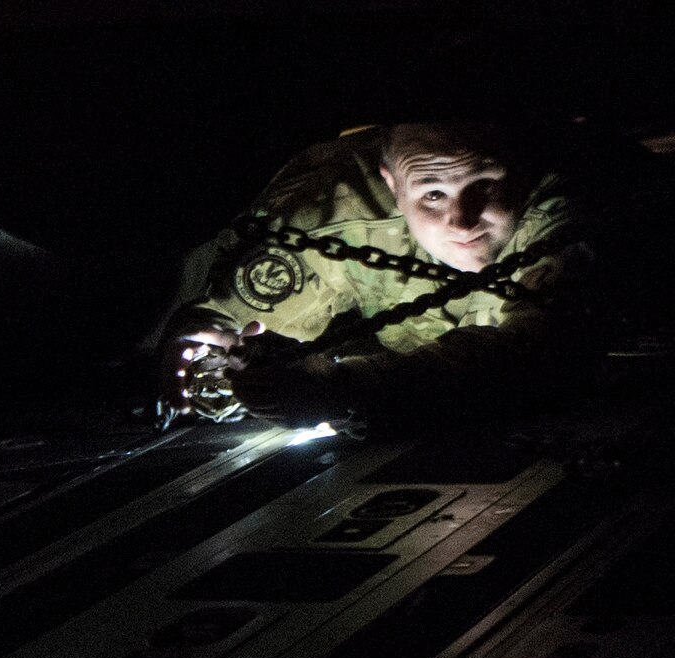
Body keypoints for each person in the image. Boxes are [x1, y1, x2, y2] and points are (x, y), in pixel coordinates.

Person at [156, 122, 613, 431]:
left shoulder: (564, 202)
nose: (461, 220)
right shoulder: (334, 209)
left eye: (483, 186)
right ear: (393, 185)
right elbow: (226, 318)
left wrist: (345, 388)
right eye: (432, 194)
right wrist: (211, 341)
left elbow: (545, 348)